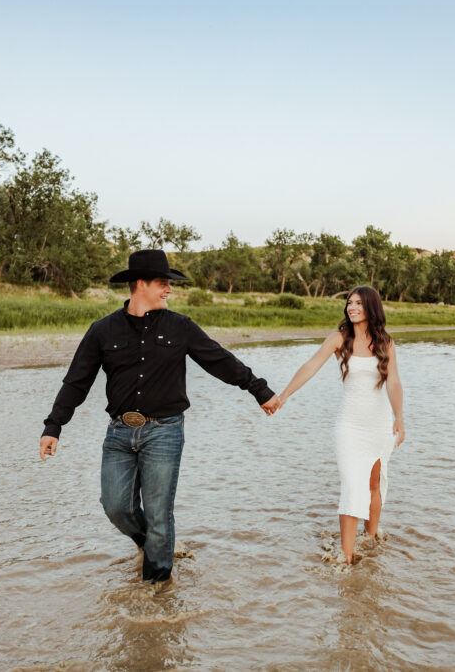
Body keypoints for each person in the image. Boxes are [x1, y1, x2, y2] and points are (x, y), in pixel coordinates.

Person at [39, 249, 282, 583]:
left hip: (165, 432)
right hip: (119, 434)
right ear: (140, 284)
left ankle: (156, 589)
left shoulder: (180, 327)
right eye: (163, 284)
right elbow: (76, 382)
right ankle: (152, 544)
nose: (169, 290)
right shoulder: (102, 330)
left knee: (158, 514)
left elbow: (219, 360)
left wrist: (259, 390)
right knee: (116, 508)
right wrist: (54, 426)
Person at [277, 285, 404, 564]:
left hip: (379, 424)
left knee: (373, 483)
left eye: (358, 303)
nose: (352, 307)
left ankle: (370, 541)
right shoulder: (339, 339)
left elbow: (393, 382)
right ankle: (346, 558)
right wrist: (285, 394)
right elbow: (311, 365)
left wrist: (400, 418)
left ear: (371, 307)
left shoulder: (386, 343)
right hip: (349, 425)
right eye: (349, 302)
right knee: (350, 482)